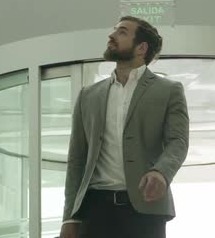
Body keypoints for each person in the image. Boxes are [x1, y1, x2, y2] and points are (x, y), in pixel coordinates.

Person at [59, 16, 190, 238]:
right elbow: (77, 160)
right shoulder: (88, 96)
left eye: (122, 32)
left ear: (142, 48)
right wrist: (69, 217)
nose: (111, 36)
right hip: (94, 209)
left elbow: (178, 141)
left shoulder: (169, 90)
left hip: (145, 210)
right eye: (114, 31)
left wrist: (161, 172)